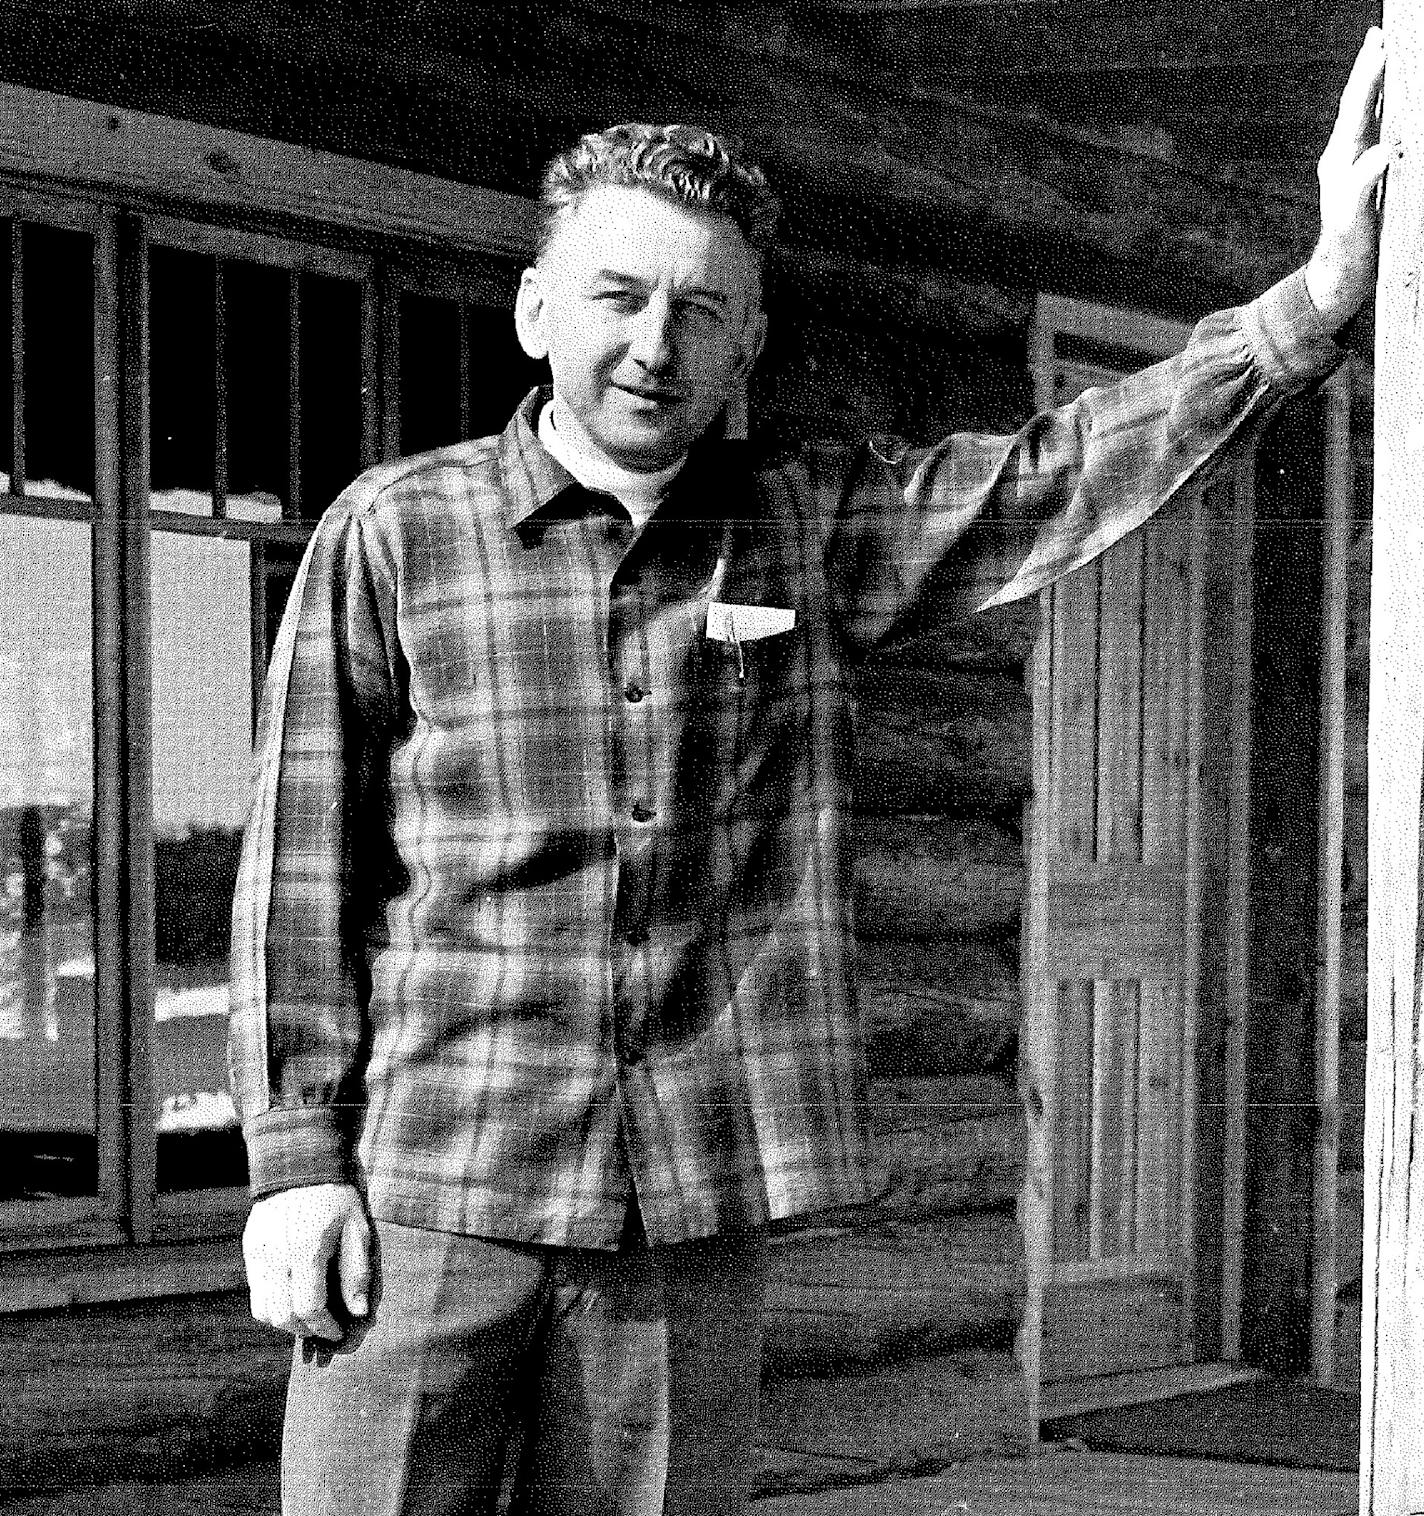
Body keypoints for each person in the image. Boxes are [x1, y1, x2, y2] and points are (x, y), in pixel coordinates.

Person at [229, 29, 1390, 1516]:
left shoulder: (804, 527)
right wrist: (291, 1164)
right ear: (535, 312)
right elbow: (298, 869)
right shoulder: (394, 531)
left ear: (747, 345)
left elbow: (1056, 469)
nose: (656, 344)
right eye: (619, 296)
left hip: (684, 1204)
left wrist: (1309, 309)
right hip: (429, 1194)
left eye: (701, 311)